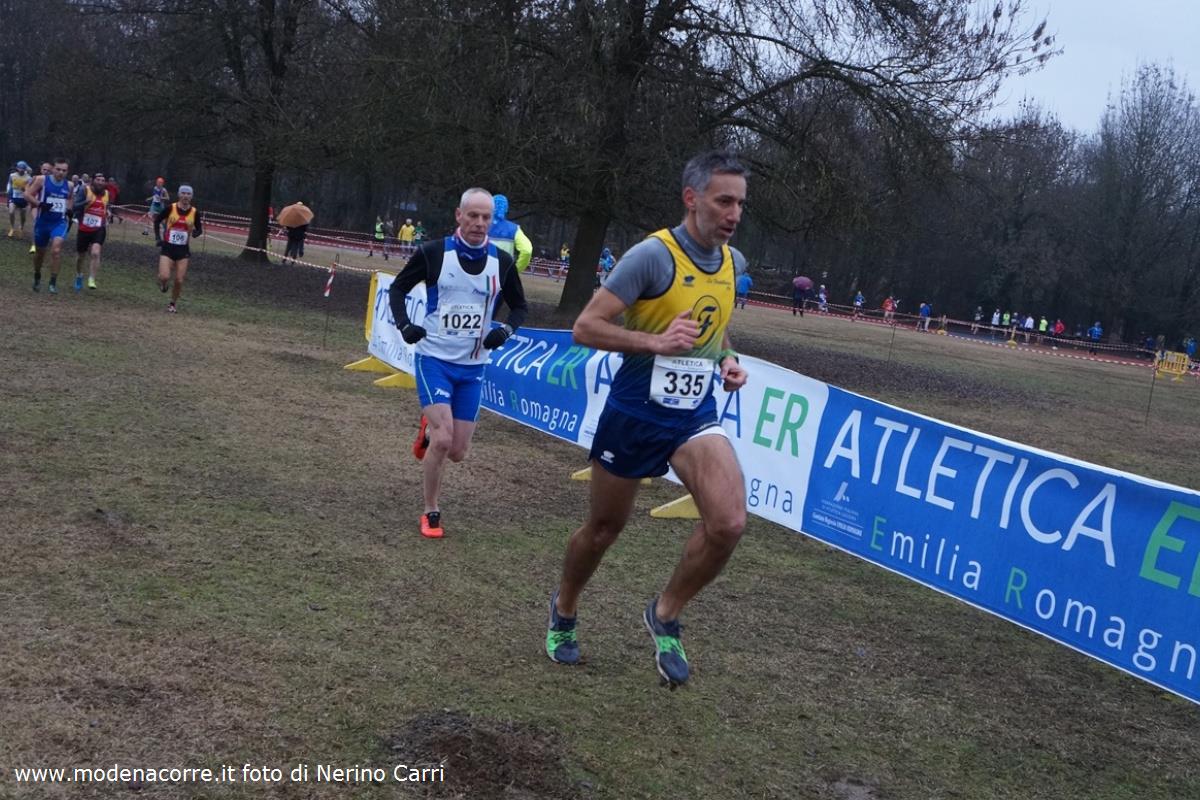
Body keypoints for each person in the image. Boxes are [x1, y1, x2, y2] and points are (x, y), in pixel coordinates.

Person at [545, 151, 750, 689]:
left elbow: (713, 326)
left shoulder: (733, 263)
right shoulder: (651, 257)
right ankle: (564, 607)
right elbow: (586, 327)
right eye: (723, 201)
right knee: (604, 529)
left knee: (728, 523)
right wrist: (655, 342)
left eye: (739, 204)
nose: (733, 214)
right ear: (692, 198)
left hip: (693, 417)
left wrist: (726, 358)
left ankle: (665, 614)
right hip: (634, 413)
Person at [388, 188, 528, 539]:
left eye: (486, 217)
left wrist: (505, 331)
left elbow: (520, 307)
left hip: (473, 365)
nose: (480, 223)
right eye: (473, 216)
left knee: (458, 452)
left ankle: (428, 428)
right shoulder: (434, 252)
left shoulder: (502, 262)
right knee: (443, 440)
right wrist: (405, 325)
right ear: (459, 215)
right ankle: (430, 511)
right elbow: (398, 289)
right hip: (434, 359)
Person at [25, 158, 74, 293]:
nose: (61, 172)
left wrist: (69, 209)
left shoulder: (69, 185)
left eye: (64, 170)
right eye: (58, 169)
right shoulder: (42, 180)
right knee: (40, 254)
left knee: (56, 250)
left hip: (59, 223)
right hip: (42, 222)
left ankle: (53, 282)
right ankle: (37, 275)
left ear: (67, 171)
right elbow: (27, 194)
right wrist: (39, 204)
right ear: (53, 169)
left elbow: (70, 198)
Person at [154, 185, 203, 313]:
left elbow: (199, 229)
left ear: (191, 196)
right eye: (183, 193)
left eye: (188, 194)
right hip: (168, 248)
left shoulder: (194, 212)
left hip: (183, 250)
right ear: (179, 195)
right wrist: (158, 238)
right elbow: (157, 220)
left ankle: (172, 304)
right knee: (164, 276)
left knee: (179, 280)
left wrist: (196, 233)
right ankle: (163, 284)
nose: (186, 196)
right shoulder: (171, 208)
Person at [73, 172, 109, 290]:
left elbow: (106, 206)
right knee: (81, 256)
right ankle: (79, 275)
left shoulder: (106, 193)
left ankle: (92, 279)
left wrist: (108, 212)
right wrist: (85, 202)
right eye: (98, 180)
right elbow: (74, 206)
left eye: (102, 181)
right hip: (84, 228)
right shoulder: (85, 190)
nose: (100, 182)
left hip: (99, 228)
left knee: (95, 253)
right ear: (93, 180)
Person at [487, 195, 533, 272]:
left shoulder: (480, 226)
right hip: (503, 274)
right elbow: (527, 250)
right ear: (506, 209)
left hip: (480, 273)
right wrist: (515, 270)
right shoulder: (514, 229)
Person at [7, 160, 32, 239]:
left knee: (23, 216)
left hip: (23, 199)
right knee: (11, 212)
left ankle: (21, 228)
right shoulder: (12, 175)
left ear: (25, 169)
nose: (21, 170)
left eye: (23, 168)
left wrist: (25, 189)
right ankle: (12, 228)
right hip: (14, 197)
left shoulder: (29, 178)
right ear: (17, 168)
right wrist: (8, 190)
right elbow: (9, 183)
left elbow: (30, 188)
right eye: (20, 168)